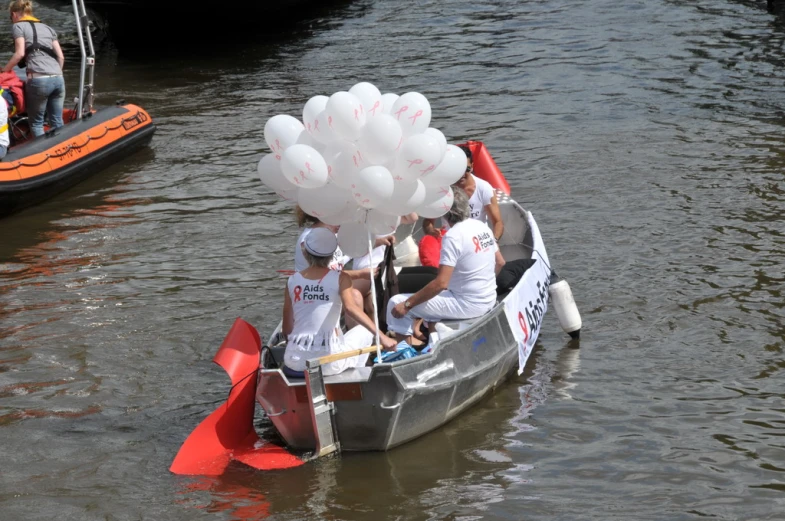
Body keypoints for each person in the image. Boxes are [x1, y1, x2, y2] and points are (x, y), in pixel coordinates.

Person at [387, 187, 506, 345]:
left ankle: (403, 350)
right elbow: (500, 263)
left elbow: (441, 283)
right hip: (489, 298)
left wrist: (407, 305)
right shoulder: (482, 227)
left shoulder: (453, 236)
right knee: (431, 297)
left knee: (395, 302)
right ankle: (433, 341)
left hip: (467, 304)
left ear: (444, 211)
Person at [282, 227, 397, 376]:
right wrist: (383, 337)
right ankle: (356, 375)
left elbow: (287, 329)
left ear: (304, 251)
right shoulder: (341, 277)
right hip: (328, 364)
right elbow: (351, 309)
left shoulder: (291, 280)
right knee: (365, 332)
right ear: (333, 255)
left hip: (294, 361)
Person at [293, 205, 394, 327]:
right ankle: (356, 340)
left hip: (332, 285)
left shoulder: (333, 235)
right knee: (355, 297)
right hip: (315, 292)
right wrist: (361, 273)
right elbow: (325, 273)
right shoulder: (310, 240)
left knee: (370, 294)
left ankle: (375, 335)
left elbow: (351, 251)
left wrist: (379, 242)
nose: (343, 222)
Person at [2, 0, 65, 138]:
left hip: (39, 80)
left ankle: (44, 152)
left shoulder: (18, 27)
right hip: (58, 78)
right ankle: (62, 149)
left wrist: (4, 70)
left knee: (36, 123)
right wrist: (55, 74)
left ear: (14, 14)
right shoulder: (48, 28)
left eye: (10, 17)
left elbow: (19, 54)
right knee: (57, 120)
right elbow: (61, 57)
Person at [422, 143, 504, 244]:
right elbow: (428, 222)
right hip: (452, 242)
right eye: (458, 169)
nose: (461, 174)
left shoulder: (484, 188)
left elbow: (498, 222)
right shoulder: (442, 189)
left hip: (478, 242)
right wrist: (431, 231)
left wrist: (493, 242)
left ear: (472, 166)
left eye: (467, 169)